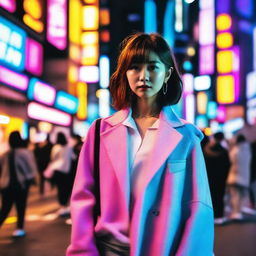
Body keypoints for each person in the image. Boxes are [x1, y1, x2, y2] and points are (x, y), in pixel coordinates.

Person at [66, 32, 214, 256]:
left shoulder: (186, 137)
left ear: (167, 74)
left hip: (163, 248)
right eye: (135, 67)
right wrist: (83, 251)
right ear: (125, 73)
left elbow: (198, 207)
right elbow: (83, 198)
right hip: (108, 249)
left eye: (153, 67)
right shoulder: (100, 130)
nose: (143, 75)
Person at [0, 131, 38, 237]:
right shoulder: (26, 153)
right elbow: (31, 169)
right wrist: (33, 180)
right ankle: (19, 228)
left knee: (5, 209)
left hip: (5, 185)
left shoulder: (5, 154)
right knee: (21, 207)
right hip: (21, 184)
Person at [203, 132, 230, 224]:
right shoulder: (224, 151)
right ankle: (219, 216)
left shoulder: (206, 150)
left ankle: (212, 216)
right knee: (220, 196)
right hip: (221, 179)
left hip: (210, 177)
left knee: (211, 196)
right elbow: (227, 166)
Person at [44, 132, 73, 216]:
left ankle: (62, 205)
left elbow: (52, 158)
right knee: (66, 188)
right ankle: (66, 205)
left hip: (58, 170)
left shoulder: (56, 147)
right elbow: (73, 157)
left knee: (60, 188)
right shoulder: (69, 147)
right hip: (67, 170)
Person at [227, 134, 252, 220]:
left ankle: (236, 213)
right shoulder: (248, 150)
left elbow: (230, 161)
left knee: (235, 195)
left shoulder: (235, 150)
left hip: (234, 176)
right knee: (243, 196)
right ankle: (239, 211)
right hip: (245, 177)